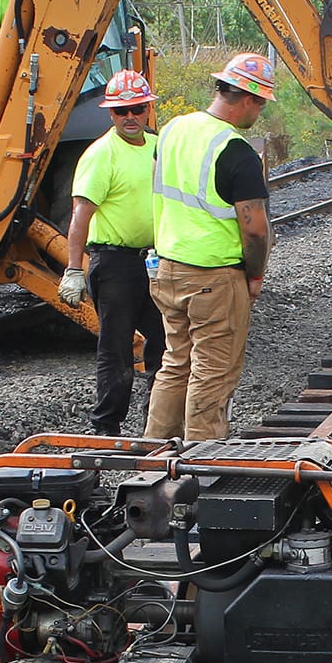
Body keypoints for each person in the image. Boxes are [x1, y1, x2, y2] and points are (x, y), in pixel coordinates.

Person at [143, 52, 275, 442]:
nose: (260, 111)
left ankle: (155, 453)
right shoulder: (236, 151)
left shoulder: (172, 129)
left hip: (166, 269)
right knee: (213, 370)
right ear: (249, 98)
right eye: (262, 102)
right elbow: (254, 230)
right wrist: (255, 274)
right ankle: (202, 462)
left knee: (176, 362)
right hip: (213, 278)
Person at [58, 70, 167, 436]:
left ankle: (159, 424)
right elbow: (80, 215)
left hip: (154, 261)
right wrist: (74, 269)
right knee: (116, 349)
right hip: (115, 263)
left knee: (166, 344)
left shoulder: (158, 147)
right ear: (111, 114)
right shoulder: (101, 154)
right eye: (122, 112)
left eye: (137, 109)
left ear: (148, 109)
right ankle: (106, 428)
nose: (131, 117)